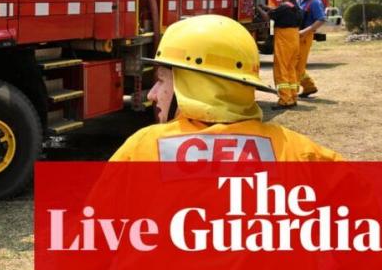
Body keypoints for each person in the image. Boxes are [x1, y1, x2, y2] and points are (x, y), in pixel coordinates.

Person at [110, 14, 342, 162]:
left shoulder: (142, 149)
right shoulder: (300, 152)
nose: (151, 95)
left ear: (192, 85)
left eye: (161, 81)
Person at [257, 0, 302, 109]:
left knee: (281, 69)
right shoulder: (295, 7)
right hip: (294, 39)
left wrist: (258, 9)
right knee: (290, 69)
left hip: (284, 41)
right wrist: (266, 7)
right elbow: (276, 11)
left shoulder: (284, 7)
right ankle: (293, 97)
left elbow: (268, 16)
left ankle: (284, 100)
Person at [297, 0, 326, 98]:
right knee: (295, 65)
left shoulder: (315, 2)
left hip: (305, 37)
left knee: (297, 66)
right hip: (296, 36)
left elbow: (321, 19)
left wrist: (306, 31)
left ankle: (290, 95)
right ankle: (309, 87)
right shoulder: (299, 0)